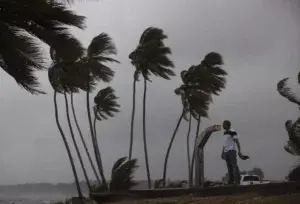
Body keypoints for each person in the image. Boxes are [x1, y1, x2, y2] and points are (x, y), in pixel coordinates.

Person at [221, 120, 248, 185]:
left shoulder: (232, 131)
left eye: (224, 124)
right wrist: (222, 152)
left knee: (234, 166)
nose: (222, 125)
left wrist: (239, 151)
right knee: (229, 167)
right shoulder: (224, 133)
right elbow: (224, 144)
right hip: (226, 152)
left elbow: (237, 142)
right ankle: (230, 181)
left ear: (227, 125)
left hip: (231, 151)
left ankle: (237, 182)